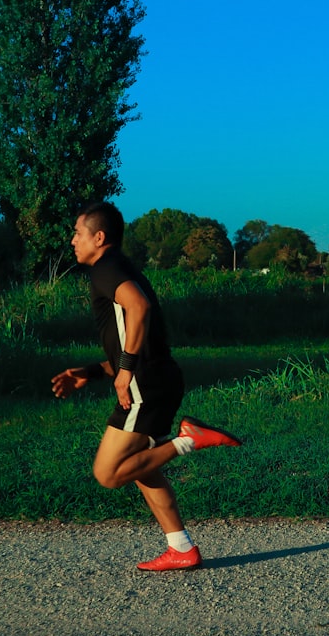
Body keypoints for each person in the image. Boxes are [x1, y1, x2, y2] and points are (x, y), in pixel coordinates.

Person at [51, 201, 241, 571]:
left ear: (99, 237)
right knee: (140, 468)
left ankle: (189, 439)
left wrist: (125, 371)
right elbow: (136, 339)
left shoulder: (106, 268)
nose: (72, 240)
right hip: (156, 379)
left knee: (108, 473)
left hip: (146, 385)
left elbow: (138, 309)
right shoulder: (118, 268)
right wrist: (92, 371)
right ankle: (181, 548)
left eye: (77, 232)